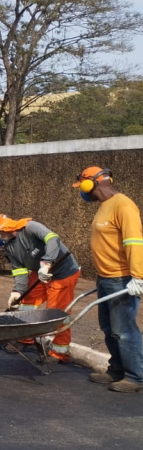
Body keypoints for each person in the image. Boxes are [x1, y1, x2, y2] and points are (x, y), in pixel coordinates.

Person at [73, 166, 143, 392]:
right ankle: (116, 370)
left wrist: (138, 277)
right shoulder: (105, 206)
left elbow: (134, 242)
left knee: (124, 330)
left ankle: (136, 378)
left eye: (81, 185)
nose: (81, 192)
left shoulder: (123, 205)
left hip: (120, 278)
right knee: (108, 328)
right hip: (104, 278)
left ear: (91, 183)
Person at [0, 213, 81, 362]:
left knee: (57, 314)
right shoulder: (10, 246)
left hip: (62, 273)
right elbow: (19, 269)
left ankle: (59, 352)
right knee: (26, 306)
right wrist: (17, 291)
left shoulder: (30, 228)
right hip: (39, 273)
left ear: (3, 229)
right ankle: (25, 338)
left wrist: (46, 263)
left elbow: (53, 238)